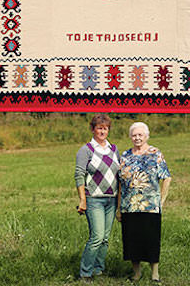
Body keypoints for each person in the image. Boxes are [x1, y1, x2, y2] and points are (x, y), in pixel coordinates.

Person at [117, 121, 172, 284]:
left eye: (140, 135)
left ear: (147, 136)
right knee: (132, 239)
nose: (137, 138)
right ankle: (136, 273)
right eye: (134, 135)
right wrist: (119, 207)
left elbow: (166, 177)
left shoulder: (155, 153)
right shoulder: (125, 155)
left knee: (151, 239)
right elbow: (120, 182)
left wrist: (161, 200)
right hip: (129, 205)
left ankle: (155, 273)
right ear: (130, 137)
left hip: (150, 206)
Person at [74, 114, 121, 282]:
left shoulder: (114, 150)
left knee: (105, 239)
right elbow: (79, 176)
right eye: (99, 128)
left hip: (112, 199)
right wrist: (82, 200)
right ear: (93, 129)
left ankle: (98, 269)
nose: (102, 131)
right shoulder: (86, 150)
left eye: (105, 128)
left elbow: (120, 175)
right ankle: (85, 273)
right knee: (97, 237)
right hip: (94, 199)